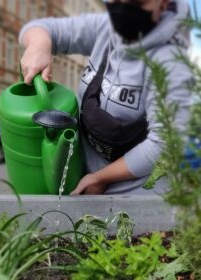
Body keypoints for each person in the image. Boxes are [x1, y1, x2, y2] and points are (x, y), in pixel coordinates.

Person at [19, 0, 193, 195]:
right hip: (85, 183)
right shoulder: (105, 29)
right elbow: (39, 28)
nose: (123, 6)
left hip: (137, 197)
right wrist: (39, 45)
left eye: (138, 2)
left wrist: (100, 178)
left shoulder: (171, 62)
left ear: (164, 3)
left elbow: (165, 144)